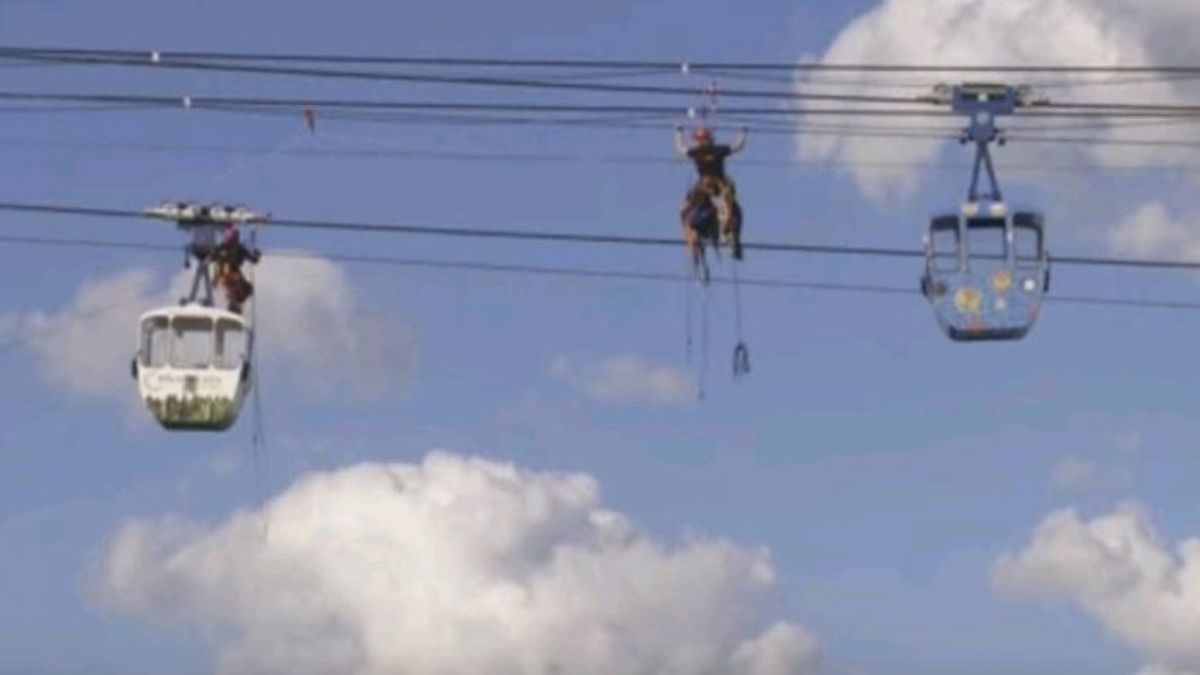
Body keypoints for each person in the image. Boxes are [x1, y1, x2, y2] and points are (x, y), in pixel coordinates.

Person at [211, 225, 261, 314]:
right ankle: (234, 302)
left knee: (240, 289)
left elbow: (212, 257)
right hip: (230, 274)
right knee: (246, 288)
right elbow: (253, 259)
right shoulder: (238, 248)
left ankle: (233, 303)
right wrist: (257, 254)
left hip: (223, 275)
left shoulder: (222, 247)